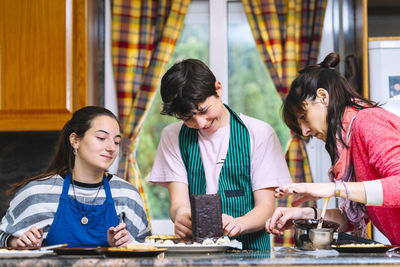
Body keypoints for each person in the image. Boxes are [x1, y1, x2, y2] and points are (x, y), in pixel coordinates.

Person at [149, 59, 292, 250]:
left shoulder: (259, 133)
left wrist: (239, 224)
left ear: (218, 89)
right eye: (188, 118)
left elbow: (266, 208)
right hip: (197, 255)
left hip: (251, 254)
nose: (200, 123)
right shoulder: (172, 136)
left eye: (203, 111)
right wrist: (181, 215)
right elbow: (178, 203)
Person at [265, 52, 400, 245]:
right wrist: (305, 214)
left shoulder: (368, 121)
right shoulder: (347, 141)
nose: (304, 131)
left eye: (303, 116)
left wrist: (333, 188)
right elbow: (351, 218)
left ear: (322, 97)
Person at [0, 106, 151, 248]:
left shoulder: (127, 195)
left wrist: (127, 243)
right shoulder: (37, 193)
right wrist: (17, 242)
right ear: (75, 140)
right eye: (101, 138)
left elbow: (147, 250)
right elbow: (2, 236)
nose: (112, 147)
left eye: (116, 141)